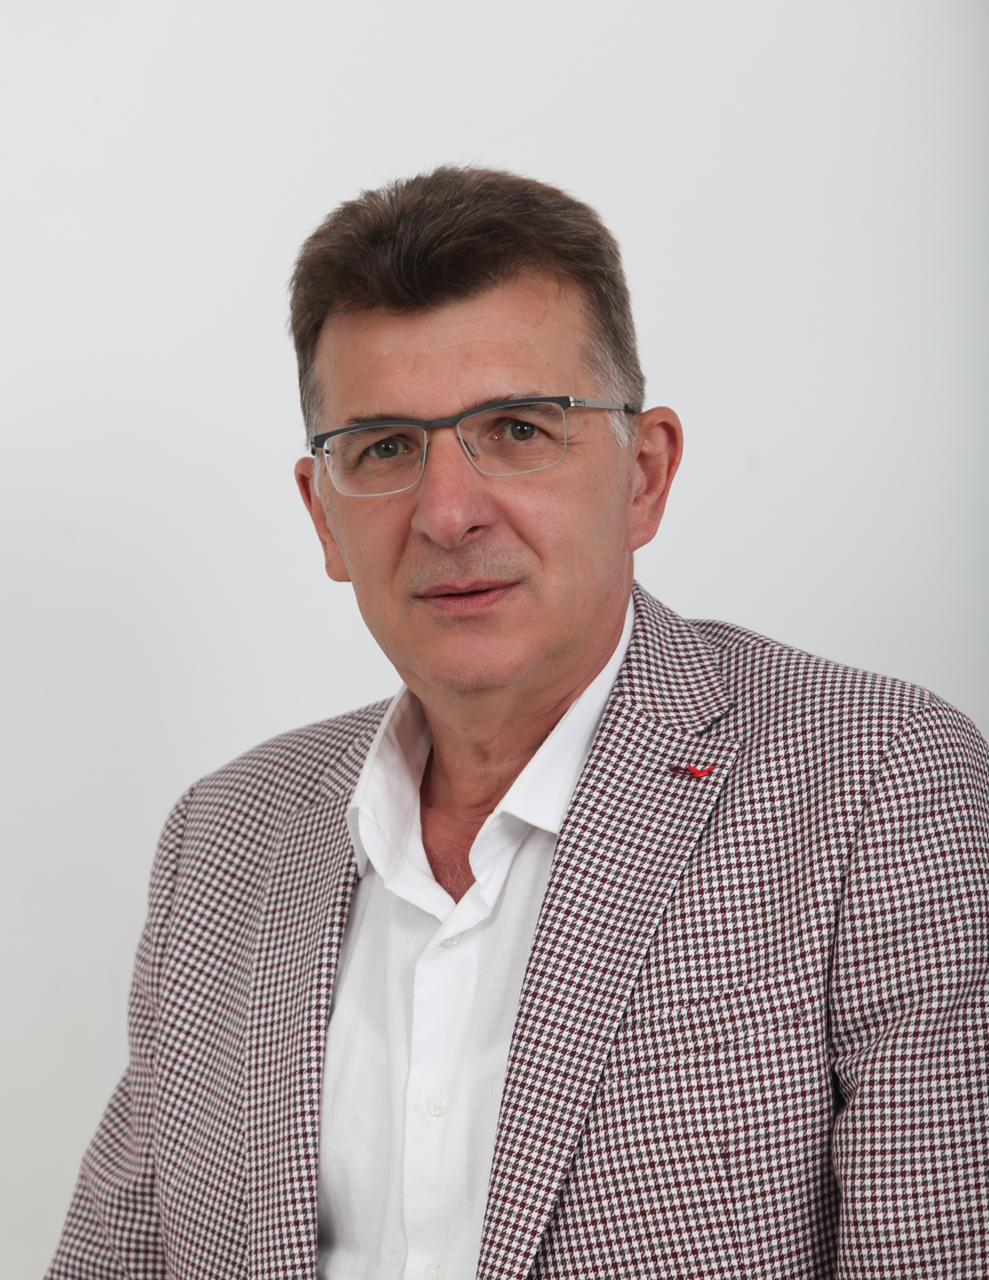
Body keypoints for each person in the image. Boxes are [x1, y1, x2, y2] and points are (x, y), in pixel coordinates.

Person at [49, 166, 988, 1280]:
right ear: (323, 517)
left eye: (516, 428)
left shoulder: (882, 786)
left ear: (643, 475)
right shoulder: (221, 840)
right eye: (385, 446)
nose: (447, 513)